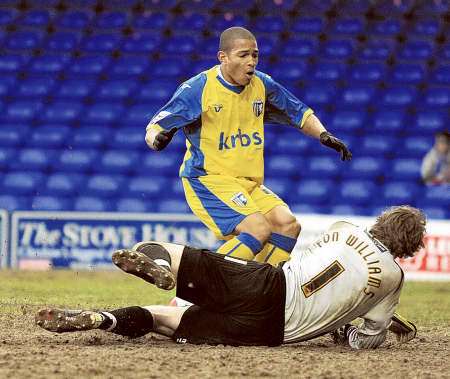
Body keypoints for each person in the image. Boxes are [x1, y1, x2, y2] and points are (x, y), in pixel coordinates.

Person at [36, 205, 423, 349]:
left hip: (271, 284)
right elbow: (364, 340)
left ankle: (160, 268)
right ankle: (107, 319)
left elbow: (318, 264)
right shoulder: (392, 278)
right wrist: (350, 330)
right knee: (162, 320)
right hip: (271, 333)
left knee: (160, 248)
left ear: (381, 221)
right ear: (411, 246)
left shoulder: (344, 228)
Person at [144, 26, 352, 266]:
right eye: (243, 55)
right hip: (210, 179)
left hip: (249, 183)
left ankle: (260, 294)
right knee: (257, 229)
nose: (251, 61)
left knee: (288, 225)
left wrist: (323, 134)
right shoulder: (198, 88)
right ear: (223, 57)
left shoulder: (262, 84)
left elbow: (297, 111)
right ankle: (195, 289)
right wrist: (156, 139)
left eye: (254, 55)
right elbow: (156, 125)